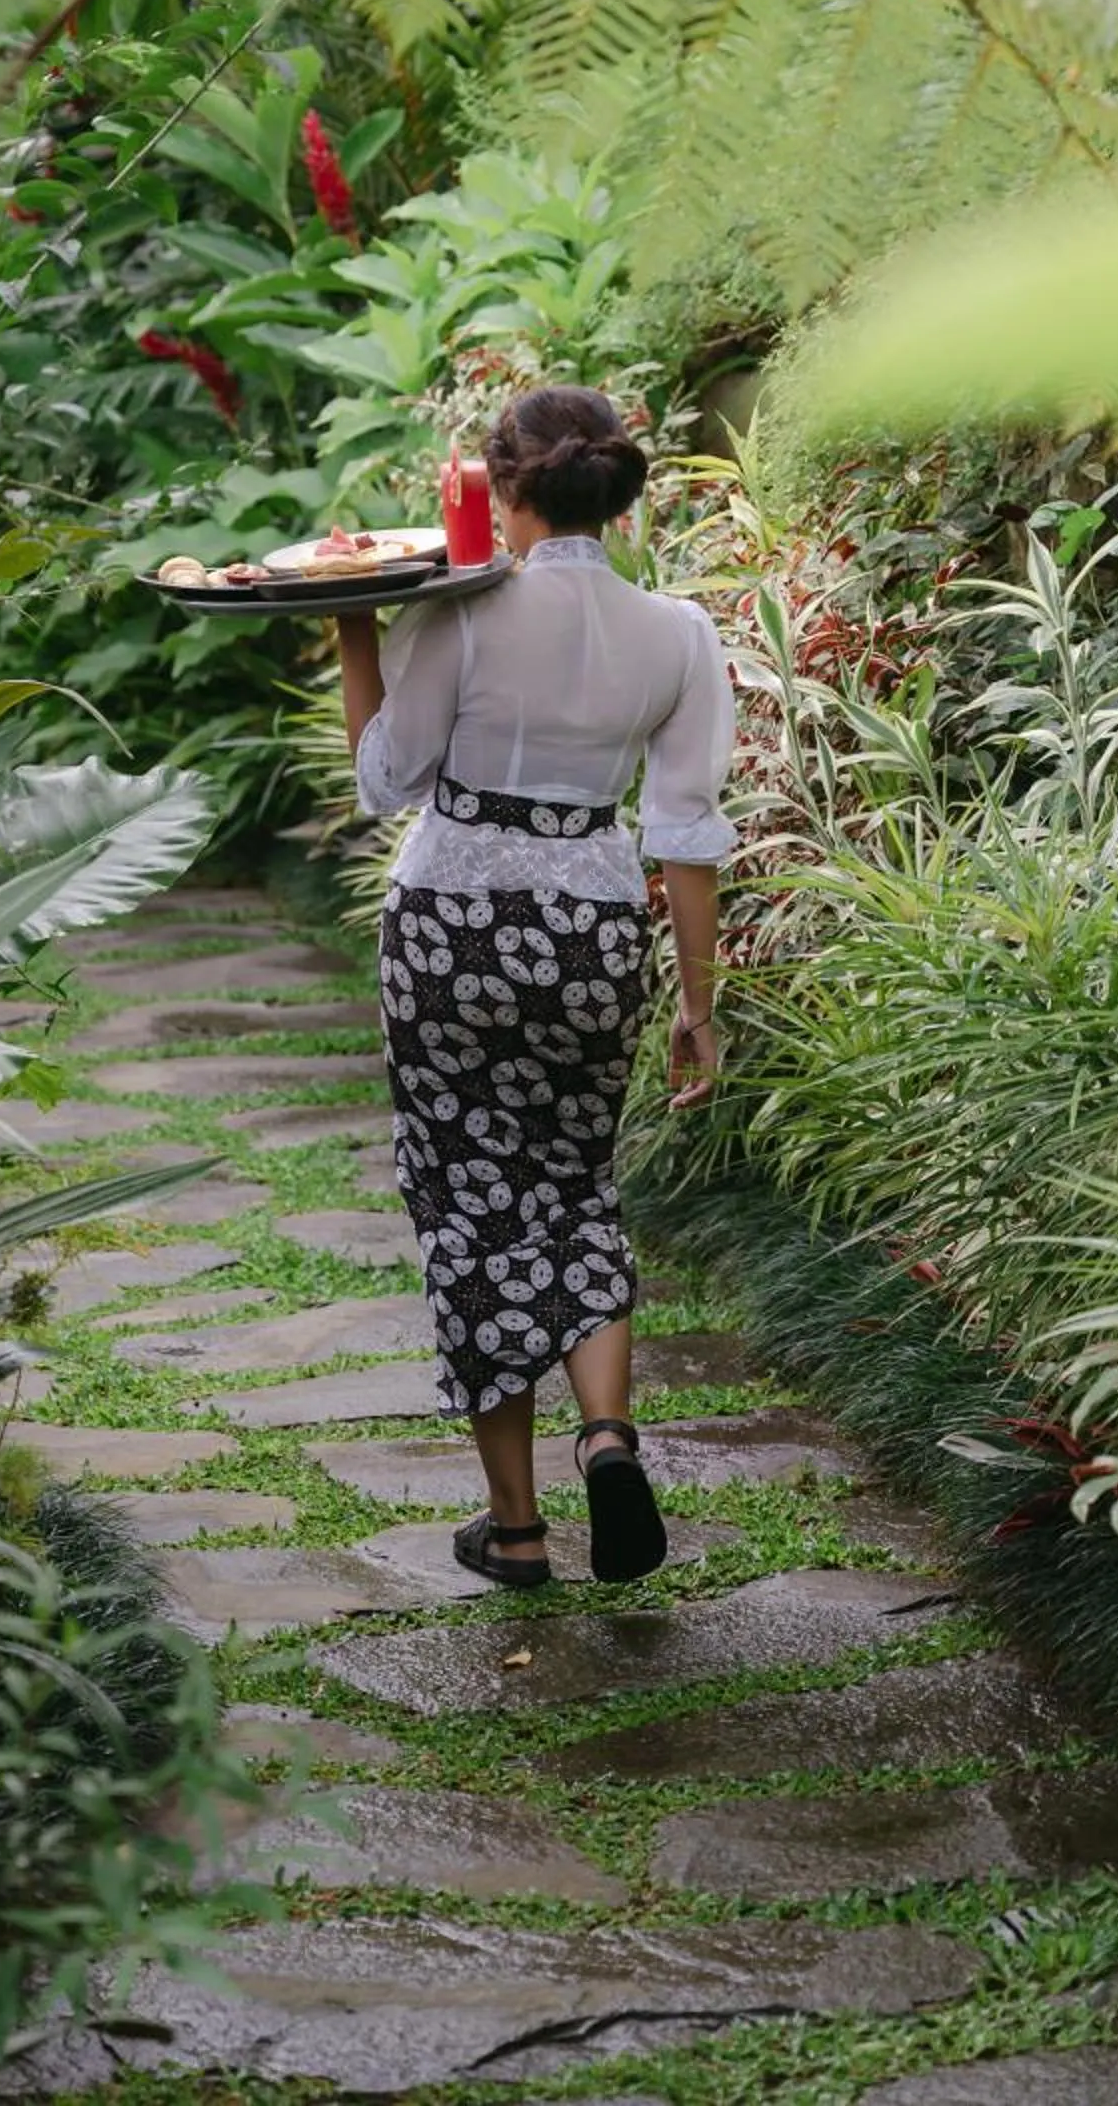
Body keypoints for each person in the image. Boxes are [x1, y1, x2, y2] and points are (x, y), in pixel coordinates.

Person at [332, 384, 735, 1589]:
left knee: (470, 1204)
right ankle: (606, 1435)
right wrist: (698, 1006)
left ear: (504, 488)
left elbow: (386, 780)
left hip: (449, 922)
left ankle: (514, 1529)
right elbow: (685, 833)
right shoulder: (678, 634)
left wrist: (351, 626)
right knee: (573, 1182)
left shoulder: (457, 609)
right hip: (590, 926)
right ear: (614, 496)